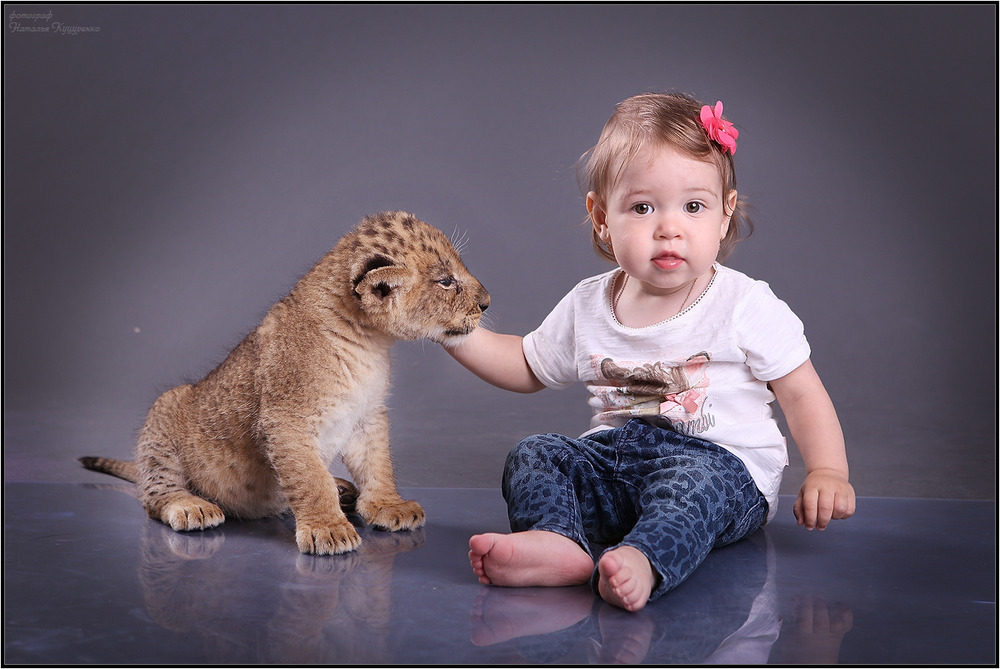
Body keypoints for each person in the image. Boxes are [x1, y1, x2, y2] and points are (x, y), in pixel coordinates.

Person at [445, 92, 855, 612]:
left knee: (691, 488)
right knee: (536, 453)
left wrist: (828, 471)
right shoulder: (589, 301)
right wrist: (452, 330)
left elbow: (801, 394)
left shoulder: (744, 303)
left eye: (694, 206)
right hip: (615, 465)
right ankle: (557, 542)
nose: (669, 226)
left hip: (723, 469)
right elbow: (527, 364)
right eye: (642, 207)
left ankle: (644, 558)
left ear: (725, 215)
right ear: (600, 216)